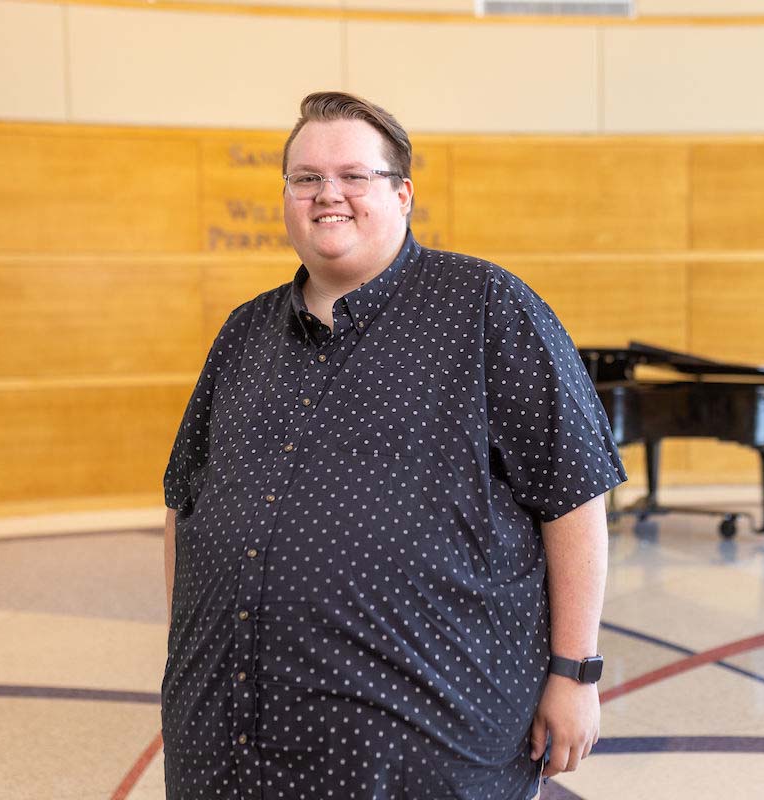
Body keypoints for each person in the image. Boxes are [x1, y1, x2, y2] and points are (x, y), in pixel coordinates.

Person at [162, 91, 626, 800]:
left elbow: (573, 500)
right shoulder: (242, 333)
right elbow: (184, 504)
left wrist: (574, 674)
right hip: (232, 744)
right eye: (306, 178)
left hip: (425, 745)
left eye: (354, 176)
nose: (327, 195)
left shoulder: (487, 308)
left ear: (403, 193)